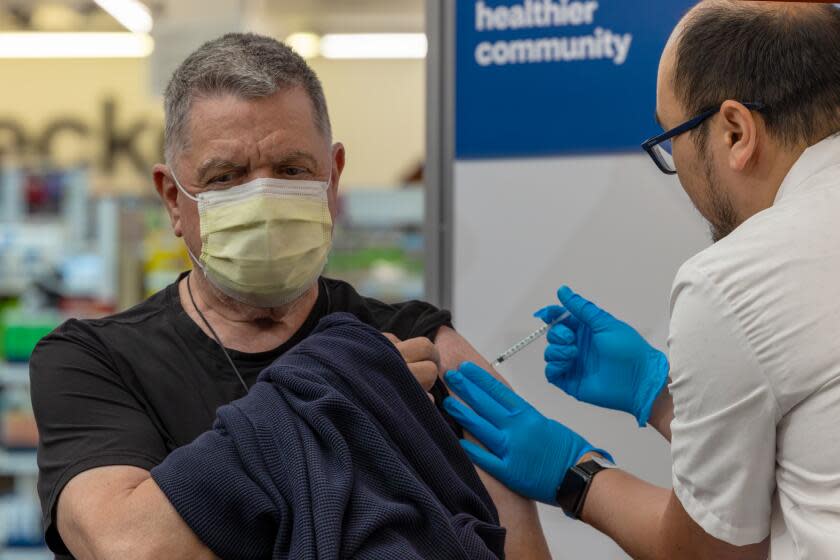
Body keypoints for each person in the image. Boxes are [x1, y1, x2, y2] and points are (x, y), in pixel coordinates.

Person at [29, 33, 550, 559]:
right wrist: (334, 391)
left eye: (292, 170)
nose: (264, 199)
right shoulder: (94, 363)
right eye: (225, 177)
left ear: (333, 178)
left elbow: (518, 551)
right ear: (172, 199)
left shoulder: (423, 347)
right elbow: (129, 547)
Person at [442, 2, 840, 559]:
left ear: (734, 132)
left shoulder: (732, 280)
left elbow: (711, 555)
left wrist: (573, 473)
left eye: (671, 138)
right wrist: (659, 396)